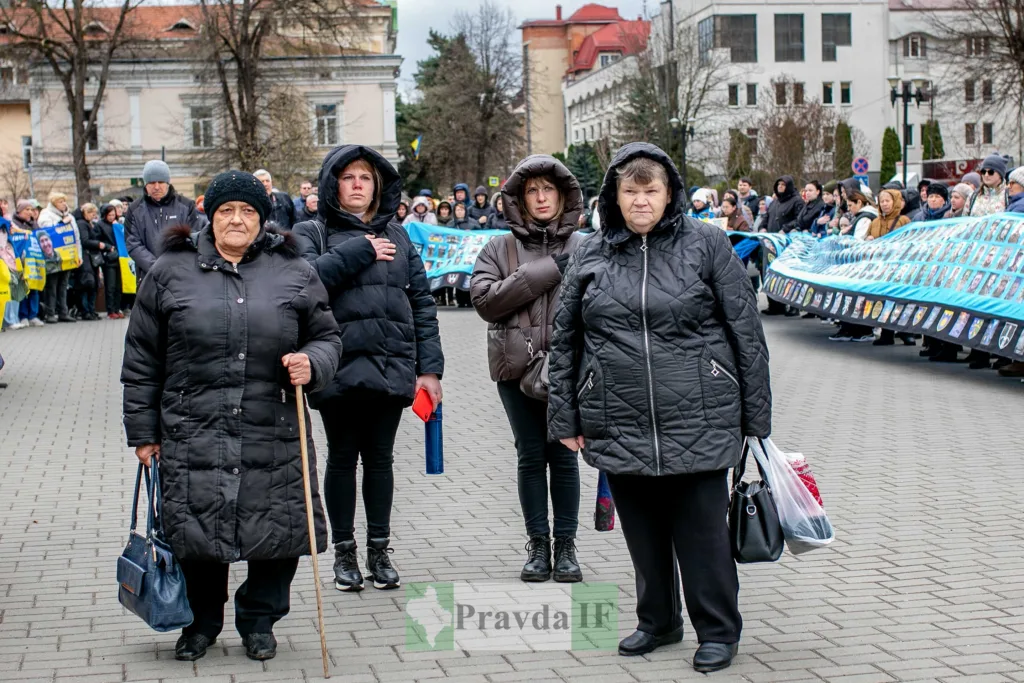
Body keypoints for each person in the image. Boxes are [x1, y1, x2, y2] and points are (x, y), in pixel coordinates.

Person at [547, 142, 771, 673]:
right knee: (643, 534)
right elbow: (565, 339)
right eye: (631, 191)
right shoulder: (591, 252)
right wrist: (565, 416)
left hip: (701, 413)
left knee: (703, 536)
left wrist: (755, 418)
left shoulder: (707, 244)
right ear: (615, 196)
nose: (641, 201)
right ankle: (658, 621)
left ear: (670, 194)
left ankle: (717, 631)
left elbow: (746, 331)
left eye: (651, 191)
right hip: (618, 414)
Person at [121, 170, 341, 663]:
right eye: (226, 211)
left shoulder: (293, 271)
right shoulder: (170, 270)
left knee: (278, 530)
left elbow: (327, 337)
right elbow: (141, 357)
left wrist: (314, 362)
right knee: (197, 529)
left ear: (262, 218)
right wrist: (143, 432)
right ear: (210, 216)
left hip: (273, 426)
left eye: (247, 211)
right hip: (193, 427)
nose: (237, 220)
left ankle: (259, 622)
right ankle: (201, 623)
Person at [292, 145, 444, 593]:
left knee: (380, 460)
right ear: (333, 184)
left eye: (366, 178)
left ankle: (379, 549)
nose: (358, 185)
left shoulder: (399, 235)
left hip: (390, 362)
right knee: (342, 458)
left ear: (378, 186)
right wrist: (360, 250)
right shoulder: (311, 231)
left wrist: (429, 369)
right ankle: (344, 552)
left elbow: (421, 302)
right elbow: (302, 284)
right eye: (348, 177)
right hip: (336, 364)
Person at [470, 155, 585, 584]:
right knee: (531, 456)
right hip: (515, 370)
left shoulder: (584, 246)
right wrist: (547, 271)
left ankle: (566, 546)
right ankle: (538, 545)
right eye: (531, 190)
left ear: (563, 196)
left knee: (564, 456)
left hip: (568, 372)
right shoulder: (498, 249)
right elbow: (485, 302)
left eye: (548, 189)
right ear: (518, 199)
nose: (540, 197)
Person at [125, 160, 206, 280]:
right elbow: (132, 243)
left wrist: (173, 266)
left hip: (180, 276)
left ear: (168, 182)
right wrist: (155, 267)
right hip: (148, 277)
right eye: (152, 182)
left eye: (161, 182)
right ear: (145, 184)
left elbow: (194, 238)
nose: (156, 187)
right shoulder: (134, 209)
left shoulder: (186, 206)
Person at [829, 188, 877, 342]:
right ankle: (849, 328)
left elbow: (858, 241)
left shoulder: (865, 218)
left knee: (857, 297)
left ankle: (861, 329)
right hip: (855, 265)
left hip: (860, 265)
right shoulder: (860, 217)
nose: (849, 209)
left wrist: (844, 236)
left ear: (859, 202)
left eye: (850, 205)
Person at [37, 192, 77, 324]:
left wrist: (78, 255)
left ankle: (63, 312)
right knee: (52, 286)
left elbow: (76, 236)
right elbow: (46, 230)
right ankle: (50, 313)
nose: (64, 204)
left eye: (64, 201)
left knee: (63, 285)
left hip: (67, 255)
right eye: (60, 201)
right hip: (52, 256)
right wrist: (61, 223)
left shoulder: (69, 216)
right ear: (54, 203)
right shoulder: (46, 214)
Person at [10, 200, 44, 327]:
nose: (30, 212)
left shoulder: (34, 225)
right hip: (20, 261)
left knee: (34, 288)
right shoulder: (13, 224)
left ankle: (33, 315)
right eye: (27, 210)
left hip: (33, 261)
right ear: (19, 211)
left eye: (31, 210)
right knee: (23, 288)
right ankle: (23, 315)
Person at [90, 204, 123, 319]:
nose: (112, 217)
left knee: (119, 286)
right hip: (109, 258)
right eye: (109, 215)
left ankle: (117, 308)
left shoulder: (117, 224)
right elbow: (96, 240)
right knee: (110, 286)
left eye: (113, 215)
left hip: (119, 258)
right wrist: (107, 247)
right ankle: (111, 310)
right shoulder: (100, 225)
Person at [76, 203, 100, 321]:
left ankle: (91, 310)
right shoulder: (82, 224)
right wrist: (98, 244)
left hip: (90, 258)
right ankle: (86, 311)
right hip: (86, 258)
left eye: (94, 214)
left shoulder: (88, 224)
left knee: (92, 285)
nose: (92, 216)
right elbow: (85, 241)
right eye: (90, 213)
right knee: (87, 284)